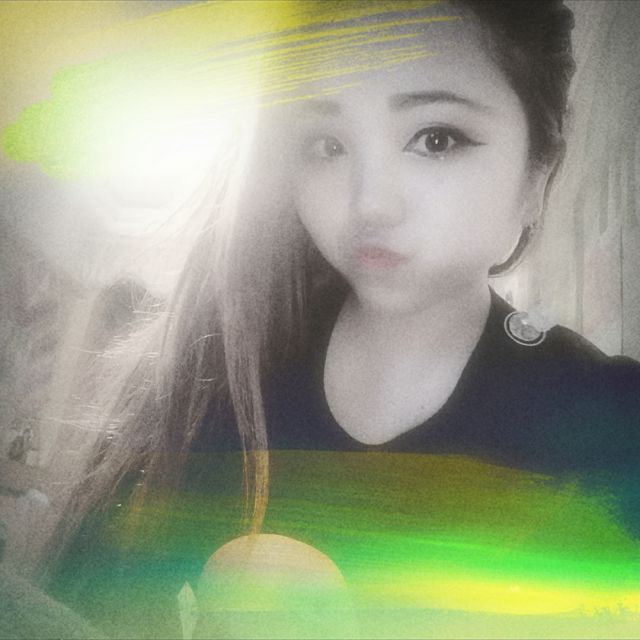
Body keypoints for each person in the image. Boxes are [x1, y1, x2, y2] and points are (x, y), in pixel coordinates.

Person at [45, 1, 640, 638]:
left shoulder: (609, 423)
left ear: (536, 175)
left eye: (436, 138)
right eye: (325, 145)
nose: (370, 204)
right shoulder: (214, 380)